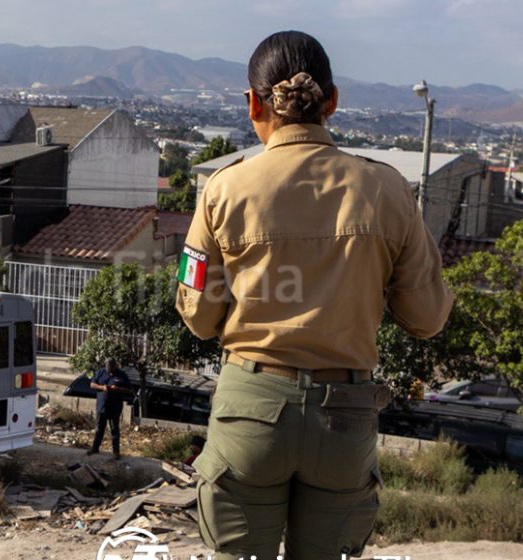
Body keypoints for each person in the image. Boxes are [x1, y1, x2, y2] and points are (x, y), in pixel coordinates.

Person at [175, 31, 453, 560]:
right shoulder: (387, 189)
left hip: (250, 414)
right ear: (333, 102)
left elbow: (200, 316)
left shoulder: (224, 189)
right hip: (344, 417)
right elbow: (427, 316)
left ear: (253, 104)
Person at [87, 357, 133, 459]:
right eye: (108, 368)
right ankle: (95, 448)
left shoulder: (121, 375)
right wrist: (102, 387)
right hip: (102, 407)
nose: (110, 370)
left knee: (114, 429)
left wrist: (117, 389)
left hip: (114, 408)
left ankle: (116, 452)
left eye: (111, 368)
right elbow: (92, 384)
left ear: (115, 366)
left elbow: (129, 390)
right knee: (99, 428)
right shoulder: (100, 372)